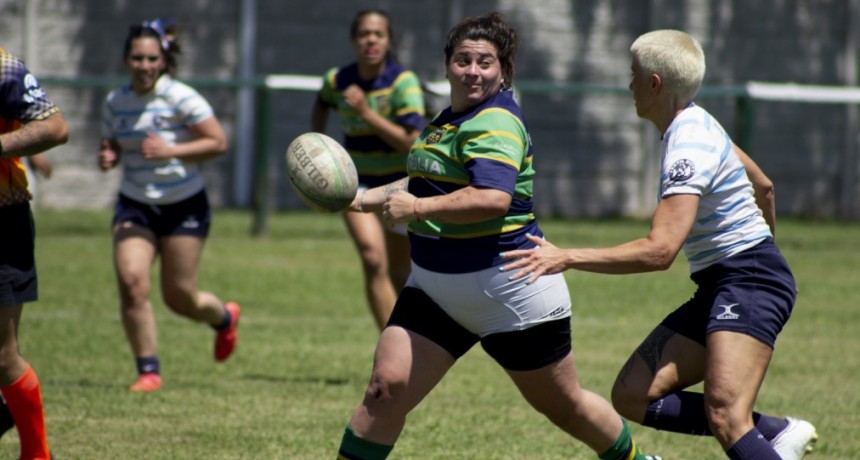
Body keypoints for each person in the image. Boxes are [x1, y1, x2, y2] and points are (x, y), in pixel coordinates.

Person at [335, 13, 658, 460]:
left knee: (566, 407)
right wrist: (358, 199)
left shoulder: (496, 123)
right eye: (463, 59)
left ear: (503, 71)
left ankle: (637, 459)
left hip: (510, 293)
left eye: (485, 62)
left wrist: (419, 210)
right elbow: (426, 181)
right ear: (447, 64)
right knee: (384, 390)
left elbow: (491, 198)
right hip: (434, 290)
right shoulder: (448, 119)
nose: (473, 70)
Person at [500, 29, 817, 460]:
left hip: (747, 280)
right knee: (632, 395)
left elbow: (660, 250)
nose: (629, 85)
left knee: (726, 415)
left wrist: (567, 256)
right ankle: (774, 433)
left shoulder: (688, 144)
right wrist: (769, 259)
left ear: (654, 84)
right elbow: (764, 187)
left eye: (634, 75)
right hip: (730, 281)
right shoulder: (701, 122)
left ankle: (759, 436)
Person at [98, 19, 240, 393]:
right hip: (135, 204)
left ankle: (224, 318)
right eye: (137, 58)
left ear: (163, 61)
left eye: (151, 58)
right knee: (132, 283)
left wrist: (170, 150)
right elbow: (112, 142)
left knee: (180, 297)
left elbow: (218, 142)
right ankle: (148, 371)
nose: (144, 65)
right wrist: (109, 154)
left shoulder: (182, 97)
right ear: (126, 60)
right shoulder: (115, 102)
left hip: (183, 204)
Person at [311, 9, 426, 330]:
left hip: (400, 187)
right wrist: (318, 145)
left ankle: (409, 345)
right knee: (373, 259)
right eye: (364, 34)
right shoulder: (337, 80)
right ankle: (392, 344)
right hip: (355, 184)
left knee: (401, 274)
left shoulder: (403, 83)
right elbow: (321, 102)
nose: (371, 40)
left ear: (388, 41)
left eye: (378, 34)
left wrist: (366, 113)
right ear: (354, 40)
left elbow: (412, 140)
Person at [0, 46, 68, 460]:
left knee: (3, 355)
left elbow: (55, 127)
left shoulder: (4, 68)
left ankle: (37, 455)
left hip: (2, 219)